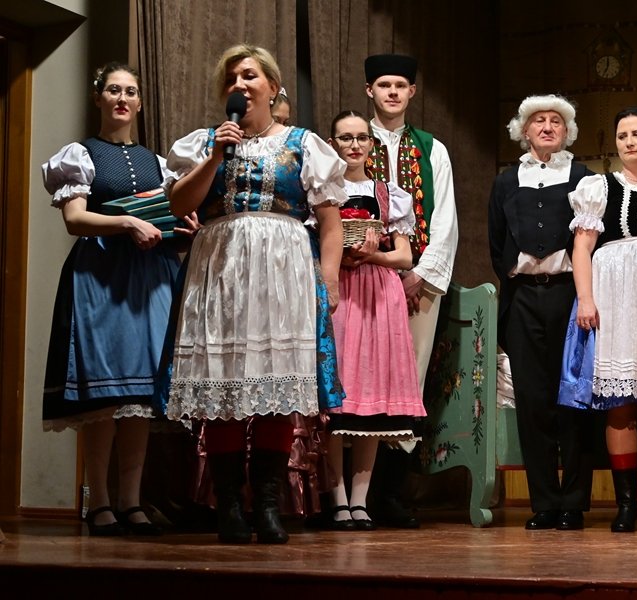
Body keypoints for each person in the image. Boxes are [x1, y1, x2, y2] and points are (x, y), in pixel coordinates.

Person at [164, 44, 346, 544]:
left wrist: (328, 280)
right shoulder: (204, 143)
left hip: (283, 270)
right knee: (224, 383)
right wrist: (215, 156)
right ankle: (229, 506)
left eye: (249, 75)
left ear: (273, 86)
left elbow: (330, 223)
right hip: (221, 269)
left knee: (276, 387)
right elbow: (179, 203)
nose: (239, 85)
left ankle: (266, 505)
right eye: (231, 79)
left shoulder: (304, 144)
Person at [41, 61, 197, 536]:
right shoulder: (81, 154)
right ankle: (100, 502)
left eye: (130, 91)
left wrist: (181, 229)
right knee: (104, 394)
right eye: (113, 90)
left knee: (140, 396)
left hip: (151, 277)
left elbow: (167, 220)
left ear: (140, 102)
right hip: (101, 273)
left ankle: (131, 501)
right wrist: (128, 222)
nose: (122, 98)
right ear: (99, 98)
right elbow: (75, 219)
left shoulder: (159, 164)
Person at [488, 94, 596, 530]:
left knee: (573, 398)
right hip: (523, 298)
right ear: (525, 130)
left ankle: (574, 502)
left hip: (569, 295)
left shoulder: (583, 177)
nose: (548, 127)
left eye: (556, 121)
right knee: (532, 402)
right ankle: (544, 502)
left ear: (567, 131)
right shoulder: (506, 180)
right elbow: (496, 243)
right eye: (539, 121)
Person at [364, 54, 458, 528]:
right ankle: (355, 495)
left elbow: (445, 220)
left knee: (409, 379)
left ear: (412, 92)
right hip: (362, 282)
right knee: (363, 377)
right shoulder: (351, 141)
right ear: (370, 91)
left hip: (419, 283)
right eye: (384, 85)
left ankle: (391, 492)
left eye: (400, 85)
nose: (393, 92)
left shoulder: (431, 148)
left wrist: (421, 275)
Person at [566, 106, 637, 532]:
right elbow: (581, 249)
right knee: (621, 404)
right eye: (622, 135)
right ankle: (626, 504)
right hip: (615, 298)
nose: (629, 141)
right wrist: (585, 299)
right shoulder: (599, 187)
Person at [322, 110, 423, 530]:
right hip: (338, 291)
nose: (354, 145)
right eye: (346, 138)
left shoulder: (388, 193)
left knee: (372, 393)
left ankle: (360, 500)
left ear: (371, 144)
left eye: (361, 138)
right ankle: (337, 499)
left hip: (378, 294)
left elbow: (405, 257)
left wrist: (370, 255)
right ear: (332, 144)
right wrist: (337, 259)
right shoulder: (323, 190)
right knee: (336, 395)